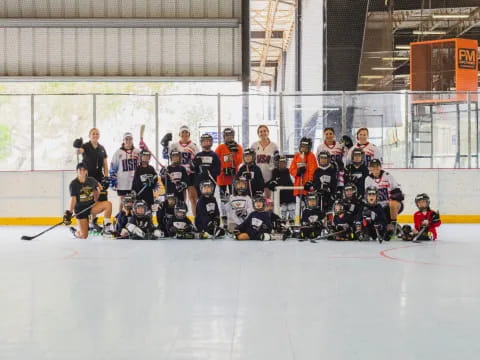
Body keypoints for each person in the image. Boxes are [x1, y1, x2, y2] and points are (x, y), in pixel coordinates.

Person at [64, 162, 113, 239]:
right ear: (76, 171)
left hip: (91, 207)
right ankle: (75, 232)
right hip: (81, 211)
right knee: (84, 236)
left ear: (86, 171)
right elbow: (73, 199)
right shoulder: (73, 184)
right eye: (80, 170)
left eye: (84, 170)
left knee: (108, 204)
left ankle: (106, 229)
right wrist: (70, 212)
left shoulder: (91, 180)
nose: (82, 171)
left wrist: (101, 191)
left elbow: (99, 186)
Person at [77, 128, 110, 231]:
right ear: (89, 135)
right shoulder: (85, 146)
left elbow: (105, 164)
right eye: (93, 134)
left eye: (97, 134)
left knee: (98, 198)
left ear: (99, 135)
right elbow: (78, 152)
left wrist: (106, 176)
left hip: (99, 176)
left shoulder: (102, 148)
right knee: (87, 199)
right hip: (87, 176)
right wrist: (77, 146)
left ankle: (95, 222)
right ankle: (86, 222)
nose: (95, 135)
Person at [364, 158, 404, 240]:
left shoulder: (387, 176)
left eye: (377, 166)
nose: (375, 168)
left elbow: (398, 191)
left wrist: (394, 196)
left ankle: (393, 225)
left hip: (390, 206)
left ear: (380, 167)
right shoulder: (368, 179)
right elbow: (368, 196)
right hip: (378, 207)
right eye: (373, 167)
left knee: (392, 204)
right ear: (370, 168)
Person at [169, 125, 199, 216]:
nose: (184, 134)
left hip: (190, 174)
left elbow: (197, 160)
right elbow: (168, 156)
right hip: (179, 174)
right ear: (179, 134)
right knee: (181, 199)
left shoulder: (193, 146)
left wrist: (195, 165)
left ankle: (196, 220)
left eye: (186, 132)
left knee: (193, 198)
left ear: (189, 134)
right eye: (183, 132)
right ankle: (182, 218)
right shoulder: (175, 146)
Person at [109, 132, 140, 211]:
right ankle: (120, 219)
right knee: (123, 202)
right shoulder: (118, 152)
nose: (128, 141)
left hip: (134, 182)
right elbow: (113, 167)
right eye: (126, 139)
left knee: (134, 202)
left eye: (130, 139)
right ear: (123, 140)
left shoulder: (137, 152)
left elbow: (142, 164)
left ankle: (132, 220)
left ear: (132, 140)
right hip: (122, 182)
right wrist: (113, 180)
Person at [250, 125, 279, 197]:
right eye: (261, 131)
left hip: (269, 175)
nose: (263, 133)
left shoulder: (274, 146)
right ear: (258, 134)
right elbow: (250, 159)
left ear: (268, 132)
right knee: (257, 198)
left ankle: (268, 208)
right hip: (257, 175)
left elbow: (277, 161)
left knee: (268, 199)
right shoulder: (254, 145)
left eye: (265, 131)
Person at [215, 127, 243, 199]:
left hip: (233, 177)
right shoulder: (220, 147)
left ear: (233, 136)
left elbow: (239, 161)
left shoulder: (238, 147)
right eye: (227, 135)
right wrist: (222, 169)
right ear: (224, 137)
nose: (229, 137)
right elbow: (215, 160)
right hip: (222, 178)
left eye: (230, 135)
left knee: (234, 197)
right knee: (223, 199)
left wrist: (234, 154)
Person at [266, 155, 296, 222]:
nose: (282, 164)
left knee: (292, 208)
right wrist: (271, 184)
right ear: (277, 163)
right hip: (281, 198)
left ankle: (293, 222)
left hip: (290, 196)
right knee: (283, 209)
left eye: (284, 162)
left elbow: (294, 181)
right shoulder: (275, 171)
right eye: (280, 162)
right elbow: (271, 182)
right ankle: (282, 222)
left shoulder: (289, 171)